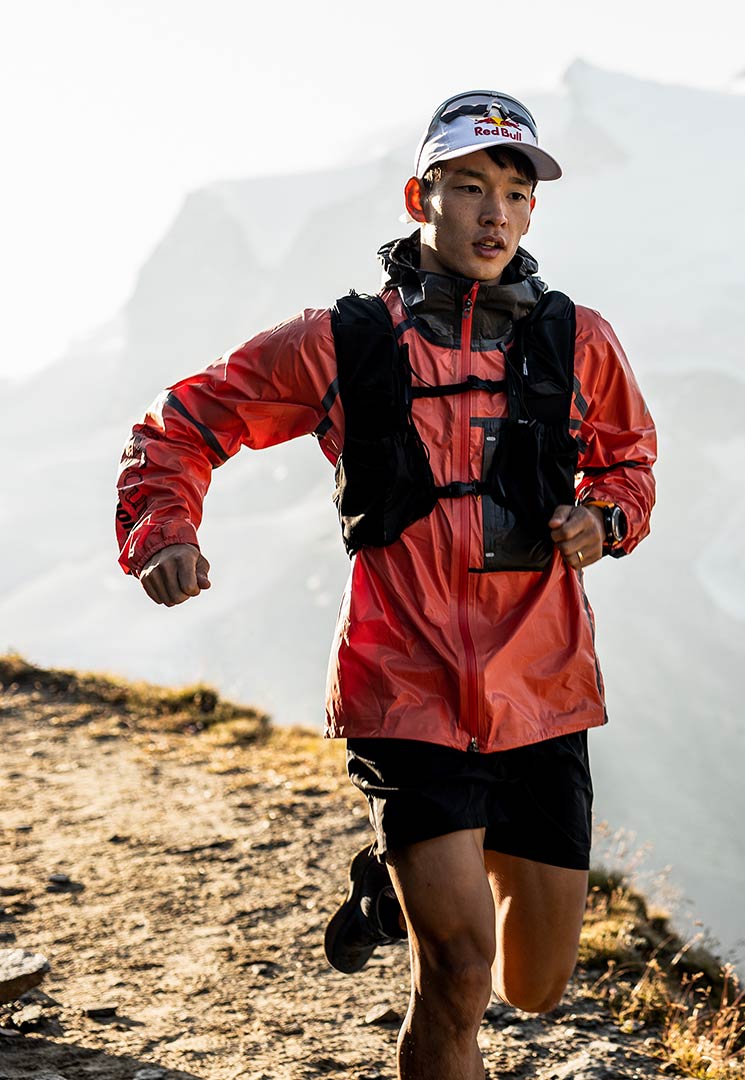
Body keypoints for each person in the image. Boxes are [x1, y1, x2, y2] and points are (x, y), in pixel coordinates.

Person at [115, 89, 656, 1080]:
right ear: (423, 195)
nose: (495, 211)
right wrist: (163, 527)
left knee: (533, 985)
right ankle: (423, 877)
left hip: (540, 691)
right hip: (401, 688)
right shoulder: (341, 340)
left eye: (514, 192)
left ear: (533, 213)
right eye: (469, 187)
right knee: (457, 970)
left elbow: (629, 466)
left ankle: (390, 883)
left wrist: (606, 517)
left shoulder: (578, 341)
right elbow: (182, 424)